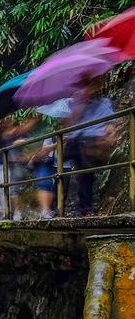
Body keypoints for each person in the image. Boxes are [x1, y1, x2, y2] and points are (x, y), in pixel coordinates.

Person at [64, 76, 121, 216]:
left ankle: (84, 208)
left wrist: (110, 134)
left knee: (85, 175)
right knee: (65, 171)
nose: (87, 89)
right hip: (75, 142)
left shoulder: (103, 103)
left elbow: (110, 123)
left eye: (90, 85)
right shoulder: (74, 103)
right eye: (84, 86)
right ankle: (66, 205)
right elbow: (69, 124)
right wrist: (81, 103)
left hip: (92, 141)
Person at [0, 116, 37, 220]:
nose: (6, 121)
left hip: (16, 163)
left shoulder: (18, 131)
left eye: (8, 119)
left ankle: (15, 212)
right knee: (3, 188)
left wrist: (21, 142)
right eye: (3, 120)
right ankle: (4, 213)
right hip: (2, 164)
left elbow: (30, 141)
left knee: (14, 188)